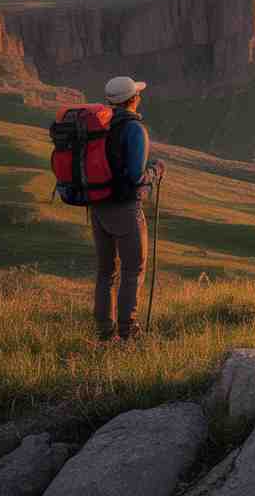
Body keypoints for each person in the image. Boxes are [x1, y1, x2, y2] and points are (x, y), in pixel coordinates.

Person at [92, 76, 164, 341]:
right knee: (132, 270)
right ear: (133, 99)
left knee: (105, 272)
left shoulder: (100, 125)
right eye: (138, 94)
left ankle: (103, 332)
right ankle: (128, 332)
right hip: (124, 207)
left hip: (98, 205)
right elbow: (135, 175)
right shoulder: (133, 129)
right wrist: (154, 171)